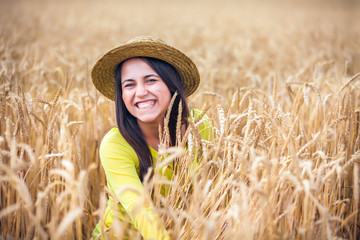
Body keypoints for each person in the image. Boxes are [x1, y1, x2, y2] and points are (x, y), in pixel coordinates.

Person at [90, 36, 213, 239]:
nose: (140, 92)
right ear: (121, 95)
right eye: (129, 85)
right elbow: (141, 210)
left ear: (171, 84)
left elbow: (216, 184)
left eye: (151, 80)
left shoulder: (199, 125)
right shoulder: (115, 145)